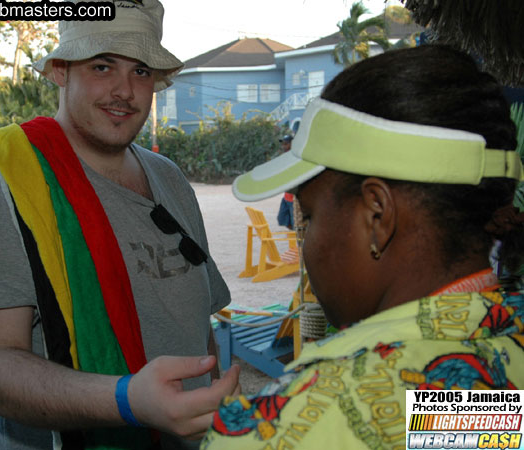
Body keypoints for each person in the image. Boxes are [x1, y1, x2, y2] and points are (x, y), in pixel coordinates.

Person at [0, 1, 239, 449]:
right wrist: (126, 400)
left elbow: (195, 319)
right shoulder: (6, 181)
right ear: (60, 70)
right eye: (103, 66)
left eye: (142, 71)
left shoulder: (168, 176)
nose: (125, 91)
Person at [201, 45, 524, 449]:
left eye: (311, 216)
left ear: (377, 215)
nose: (307, 242)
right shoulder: (485, 371)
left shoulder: (295, 420)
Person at [276, 135, 295, 229]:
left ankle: (298, 240)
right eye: (283, 144)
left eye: (286, 144)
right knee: (281, 219)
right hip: (286, 197)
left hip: (293, 199)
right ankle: (295, 236)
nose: (284, 146)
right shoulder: (285, 157)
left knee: (296, 224)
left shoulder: (295, 157)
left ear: (293, 144)